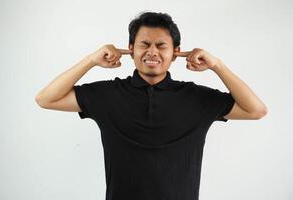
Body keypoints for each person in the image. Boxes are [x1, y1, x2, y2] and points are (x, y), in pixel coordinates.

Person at [35, 11, 267, 200]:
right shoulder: (107, 94)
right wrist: (91, 60)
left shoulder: (197, 98)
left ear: (176, 52)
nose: (152, 51)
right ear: (130, 49)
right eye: (144, 44)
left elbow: (256, 110)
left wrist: (217, 65)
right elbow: (46, 99)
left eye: (161, 45)